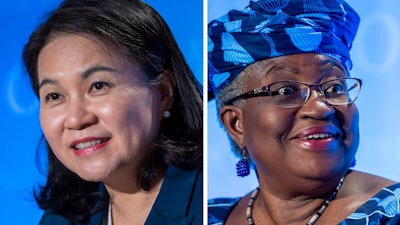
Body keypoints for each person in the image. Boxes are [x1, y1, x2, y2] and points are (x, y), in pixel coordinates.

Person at [208, 0, 400, 224]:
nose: (320, 108)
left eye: (335, 88)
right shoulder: (210, 214)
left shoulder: (390, 214)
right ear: (236, 124)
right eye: (286, 90)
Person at [22, 0, 203, 224]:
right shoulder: (58, 221)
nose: (77, 119)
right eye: (55, 96)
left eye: (98, 86)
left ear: (163, 92)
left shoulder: (208, 202)